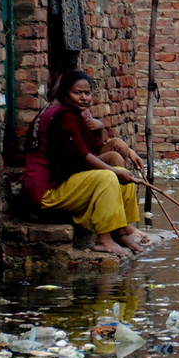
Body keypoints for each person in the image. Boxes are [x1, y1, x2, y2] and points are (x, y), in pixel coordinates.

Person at [23, 71, 149, 258]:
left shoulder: (69, 113)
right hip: (45, 191)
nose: (84, 98)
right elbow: (82, 156)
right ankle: (104, 240)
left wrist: (101, 133)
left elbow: (91, 148)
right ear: (65, 93)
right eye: (77, 93)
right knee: (108, 176)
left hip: (61, 179)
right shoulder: (62, 115)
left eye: (87, 93)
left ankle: (121, 231)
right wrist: (114, 171)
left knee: (120, 171)